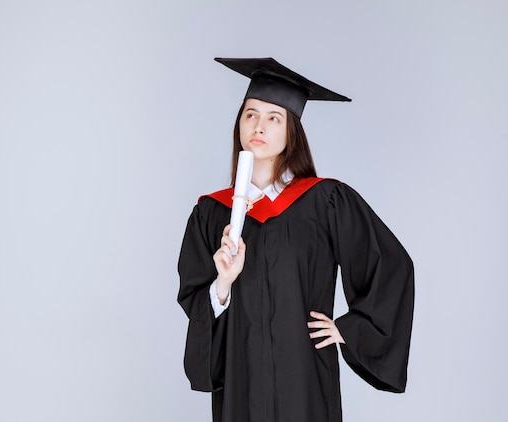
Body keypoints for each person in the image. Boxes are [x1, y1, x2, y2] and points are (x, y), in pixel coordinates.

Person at [177, 57, 414, 422]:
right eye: (250, 114)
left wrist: (350, 328)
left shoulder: (325, 202)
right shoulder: (211, 213)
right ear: (239, 123)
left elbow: (391, 266)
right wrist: (222, 283)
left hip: (303, 379)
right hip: (240, 383)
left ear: (292, 132)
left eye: (274, 118)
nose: (259, 126)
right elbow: (197, 305)